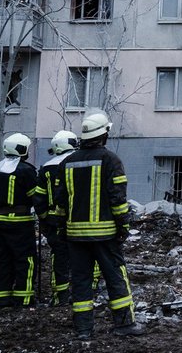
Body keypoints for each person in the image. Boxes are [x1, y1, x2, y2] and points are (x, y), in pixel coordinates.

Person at [54, 111, 144, 339]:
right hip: (105, 235)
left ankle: (83, 329)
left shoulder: (67, 162)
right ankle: (124, 325)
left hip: (75, 236)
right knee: (115, 276)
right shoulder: (110, 160)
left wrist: (61, 228)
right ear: (104, 134)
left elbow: (60, 201)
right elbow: (118, 199)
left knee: (81, 280)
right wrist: (123, 226)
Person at [0, 133, 39, 308]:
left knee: (3, 259)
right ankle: (23, 297)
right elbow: (35, 196)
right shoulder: (27, 170)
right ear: (22, 150)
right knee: (26, 260)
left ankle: (2, 297)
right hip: (21, 223)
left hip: (1, 222)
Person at [35, 130, 78, 306]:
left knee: (59, 257)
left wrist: (44, 219)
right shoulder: (78, 162)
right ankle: (86, 291)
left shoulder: (46, 168)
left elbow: (39, 198)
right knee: (83, 256)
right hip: (77, 219)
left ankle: (60, 296)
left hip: (54, 222)